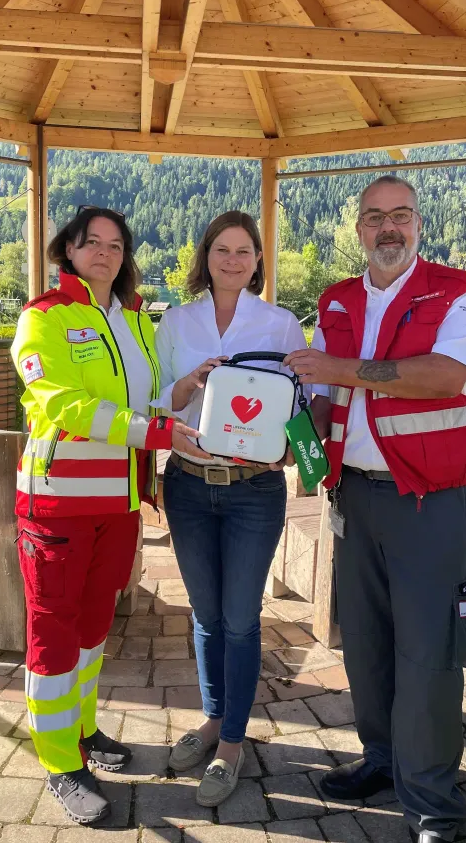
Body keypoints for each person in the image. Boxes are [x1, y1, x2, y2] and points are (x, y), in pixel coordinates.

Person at [285, 175, 466, 843]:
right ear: (357, 229)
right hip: (352, 494)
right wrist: (297, 430)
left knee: (429, 650)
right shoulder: (338, 299)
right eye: (374, 217)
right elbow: (324, 393)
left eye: (400, 215)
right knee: (367, 645)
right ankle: (382, 758)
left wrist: (343, 369)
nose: (387, 228)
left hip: (427, 504)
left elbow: (449, 375)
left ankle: (433, 802)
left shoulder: (460, 293)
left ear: (419, 224)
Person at [10, 206, 203, 827]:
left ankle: (85, 730)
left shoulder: (136, 321)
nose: (103, 253)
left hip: (117, 508)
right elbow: (63, 404)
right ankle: (61, 763)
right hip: (58, 504)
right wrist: (155, 431)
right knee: (53, 634)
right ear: (67, 249)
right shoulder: (43, 318)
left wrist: (187, 390)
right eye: (90, 242)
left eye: (115, 245)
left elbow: (144, 402)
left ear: (125, 256)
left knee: (94, 629)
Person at [154, 210, 306, 807]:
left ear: (258, 259)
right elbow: (154, 398)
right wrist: (185, 390)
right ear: (206, 255)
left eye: (245, 251)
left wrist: (292, 453)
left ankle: (232, 745)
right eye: (223, 249)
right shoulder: (175, 321)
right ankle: (214, 720)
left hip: (252, 493)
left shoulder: (281, 323)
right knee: (206, 615)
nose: (233, 260)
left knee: (241, 619)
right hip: (189, 486)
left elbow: (307, 402)